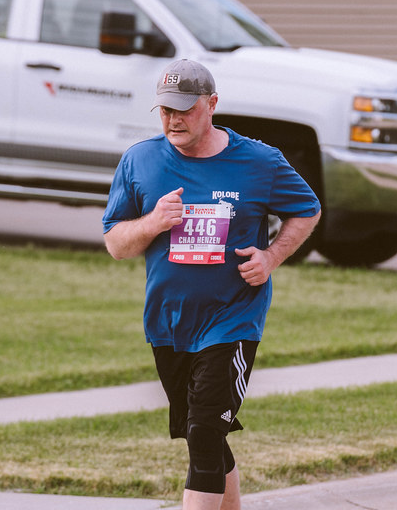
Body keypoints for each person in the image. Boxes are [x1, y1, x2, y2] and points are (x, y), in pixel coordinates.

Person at [102, 59, 320, 510]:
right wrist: (154, 222)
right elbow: (116, 244)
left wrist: (271, 256)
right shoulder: (140, 160)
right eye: (165, 110)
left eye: (184, 109)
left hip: (232, 318)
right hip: (169, 322)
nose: (173, 120)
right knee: (205, 435)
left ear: (212, 104)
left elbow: (307, 208)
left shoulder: (259, 161)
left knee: (204, 431)